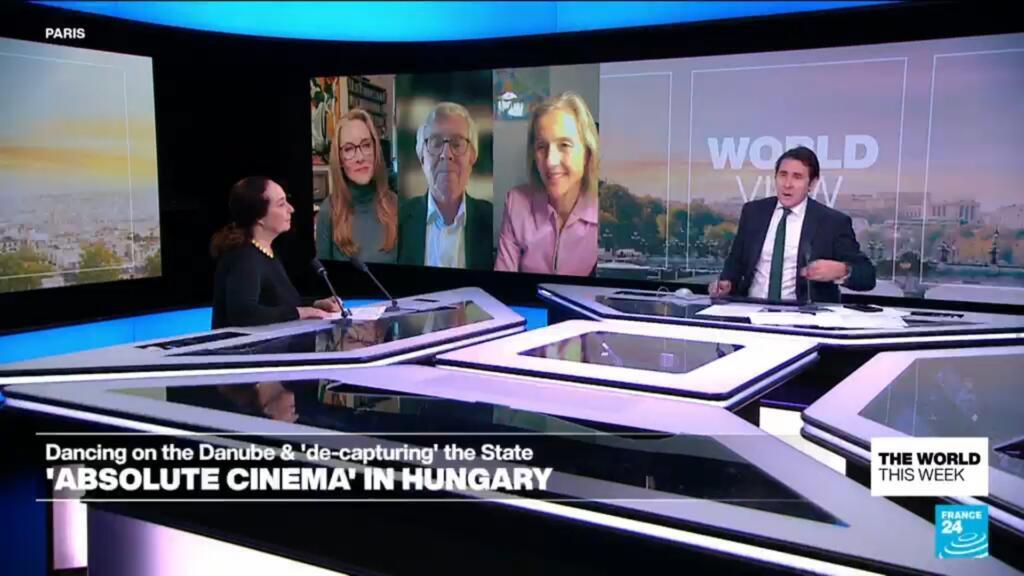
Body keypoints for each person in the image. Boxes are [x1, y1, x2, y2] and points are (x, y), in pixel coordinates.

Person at [708, 146, 875, 302]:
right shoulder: (753, 213)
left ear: (812, 183)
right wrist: (726, 284)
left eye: (797, 177)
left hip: (804, 316)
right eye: (783, 175)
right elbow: (735, 262)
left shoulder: (832, 222)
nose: (787, 184)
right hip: (750, 308)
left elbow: (867, 276)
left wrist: (841, 270)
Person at [211, 176, 341, 328]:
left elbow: (278, 304)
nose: (291, 209)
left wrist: (315, 304)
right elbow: (244, 314)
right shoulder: (244, 257)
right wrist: (300, 312)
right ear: (259, 216)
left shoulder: (266, 251)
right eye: (281, 204)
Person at [494, 91, 599, 275]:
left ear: (587, 154)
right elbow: (502, 280)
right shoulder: (516, 203)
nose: (550, 161)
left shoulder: (606, 214)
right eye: (541, 146)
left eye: (564, 145)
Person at [397, 102, 493, 269]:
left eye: (457, 144)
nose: (446, 154)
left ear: (472, 157)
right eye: (436, 143)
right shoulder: (399, 221)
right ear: (422, 158)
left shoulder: (493, 221)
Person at [316, 108, 398, 263]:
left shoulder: (397, 206)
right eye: (349, 149)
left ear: (375, 149)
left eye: (366, 145)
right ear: (340, 159)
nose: (360, 157)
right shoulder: (329, 211)